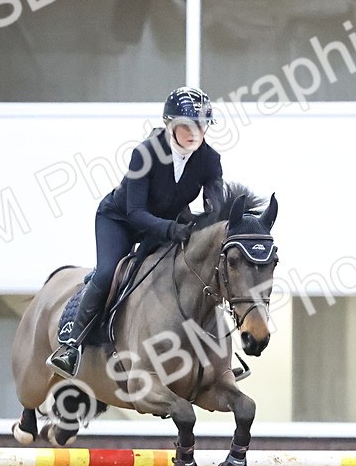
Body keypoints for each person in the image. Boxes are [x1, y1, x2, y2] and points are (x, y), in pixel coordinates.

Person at [48, 86, 224, 378]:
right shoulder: (145, 153)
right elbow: (136, 213)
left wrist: (215, 224)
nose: (196, 133)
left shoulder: (210, 159)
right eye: (188, 125)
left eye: (202, 125)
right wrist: (172, 228)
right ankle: (72, 346)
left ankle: (217, 352)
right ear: (170, 124)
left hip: (164, 226)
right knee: (108, 273)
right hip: (121, 220)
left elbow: (215, 207)